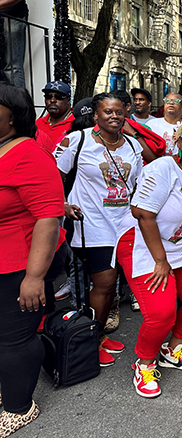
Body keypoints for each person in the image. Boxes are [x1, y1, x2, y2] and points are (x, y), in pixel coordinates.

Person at [115, 121, 182, 398]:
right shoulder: (162, 168)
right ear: (176, 141)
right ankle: (144, 364)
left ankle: (173, 349)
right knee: (160, 314)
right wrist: (160, 261)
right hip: (145, 244)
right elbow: (143, 214)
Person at [56, 92, 144, 367]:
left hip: (125, 225)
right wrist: (62, 204)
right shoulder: (77, 140)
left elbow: (139, 183)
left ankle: (99, 335)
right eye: (107, 111)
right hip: (92, 224)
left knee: (112, 286)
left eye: (119, 111)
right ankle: (90, 341)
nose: (114, 116)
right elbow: (53, 175)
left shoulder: (133, 145)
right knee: (104, 283)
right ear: (96, 115)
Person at [0, 83, 64, 435]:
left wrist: (34, 277)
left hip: (18, 264)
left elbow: (48, 218)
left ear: (12, 116)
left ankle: (19, 407)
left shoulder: (29, 154)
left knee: (15, 338)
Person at [36, 81, 75, 148]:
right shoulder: (38, 124)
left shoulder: (76, 124)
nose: (52, 100)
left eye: (58, 97)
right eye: (48, 96)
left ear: (68, 100)